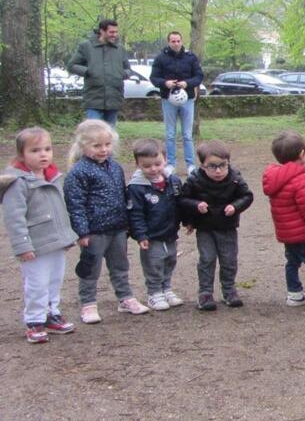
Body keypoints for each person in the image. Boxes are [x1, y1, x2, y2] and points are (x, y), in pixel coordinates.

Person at [63, 120, 150, 323]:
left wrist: (127, 222)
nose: (104, 150)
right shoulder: (78, 173)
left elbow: (123, 195)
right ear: (83, 146)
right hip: (94, 231)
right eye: (97, 146)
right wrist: (82, 232)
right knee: (90, 268)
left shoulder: (115, 167)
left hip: (117, 228)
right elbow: (75, 205)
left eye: (107, 145)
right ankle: (88, 304)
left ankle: (125, 298)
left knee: (120, 265)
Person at [1, 128, 77, 343]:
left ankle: (51, 313)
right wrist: (23, 246)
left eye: (47, 149)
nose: (43, 154)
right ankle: (34, 320)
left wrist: (66, 236)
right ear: (21, 155)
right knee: (37, 283)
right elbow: (14, 218)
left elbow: (61, 210)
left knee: (55, 280)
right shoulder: (17, 182)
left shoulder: (54, 177)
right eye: (35, 150)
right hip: (35, 245)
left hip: (56, 242)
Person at [179, 140, 254, 310]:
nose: (218, 170)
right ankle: (205, 293)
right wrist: (194, 210)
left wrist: (235, 206)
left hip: (227, 227)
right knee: (207, 259)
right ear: (203, 165)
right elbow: (183, 200)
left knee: (229, 260)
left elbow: (247, 196)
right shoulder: (194, 180)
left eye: (223, 165)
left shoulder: (235, 178)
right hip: (205, 228)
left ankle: (229, 290)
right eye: (212, 166)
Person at [263, 131, 305, 308]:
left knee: (292, 262)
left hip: (286, 232)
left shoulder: (274, 178)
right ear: (301, 153)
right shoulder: (301, 180)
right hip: (303, 233)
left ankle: (294, 293)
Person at [126, 139, 184, 311]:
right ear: (138, 165)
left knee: (170, 260)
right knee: (153, 263)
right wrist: (141, 235)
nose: (153, 169)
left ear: (165, 159)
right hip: (151, 236)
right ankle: (154, 293)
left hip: (170, 232)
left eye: (157, 164)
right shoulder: (136, 188)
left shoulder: (173, 182)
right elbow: (135, 213)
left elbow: (180, 204)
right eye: (147, 166)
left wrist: (187, 221)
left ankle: (166, 288)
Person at [150, 31, 204, 175]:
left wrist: (187, 83)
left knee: (187, 134)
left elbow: (199, 76)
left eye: (178, 41)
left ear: (182, 41)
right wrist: (165, 83)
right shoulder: (160, 58)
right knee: (170, 134)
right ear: (168, 42)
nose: (176, 44)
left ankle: (191, 165)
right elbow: (154, 78)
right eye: (173, 41)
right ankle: (171, 164)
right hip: (168, 99)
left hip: (188, 99)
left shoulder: (191, 57)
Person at [66, 19, 132, 126]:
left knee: (110, 135)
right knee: (94, 133)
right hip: (94, 98)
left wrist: (123, 74)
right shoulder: (86, 47)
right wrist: (88, 71)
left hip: (114, 98)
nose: (114, 35)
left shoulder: (120, 49)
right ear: (102, 31)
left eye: (116, 32)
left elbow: (128, 69)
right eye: (111, 32)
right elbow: (71, 66)